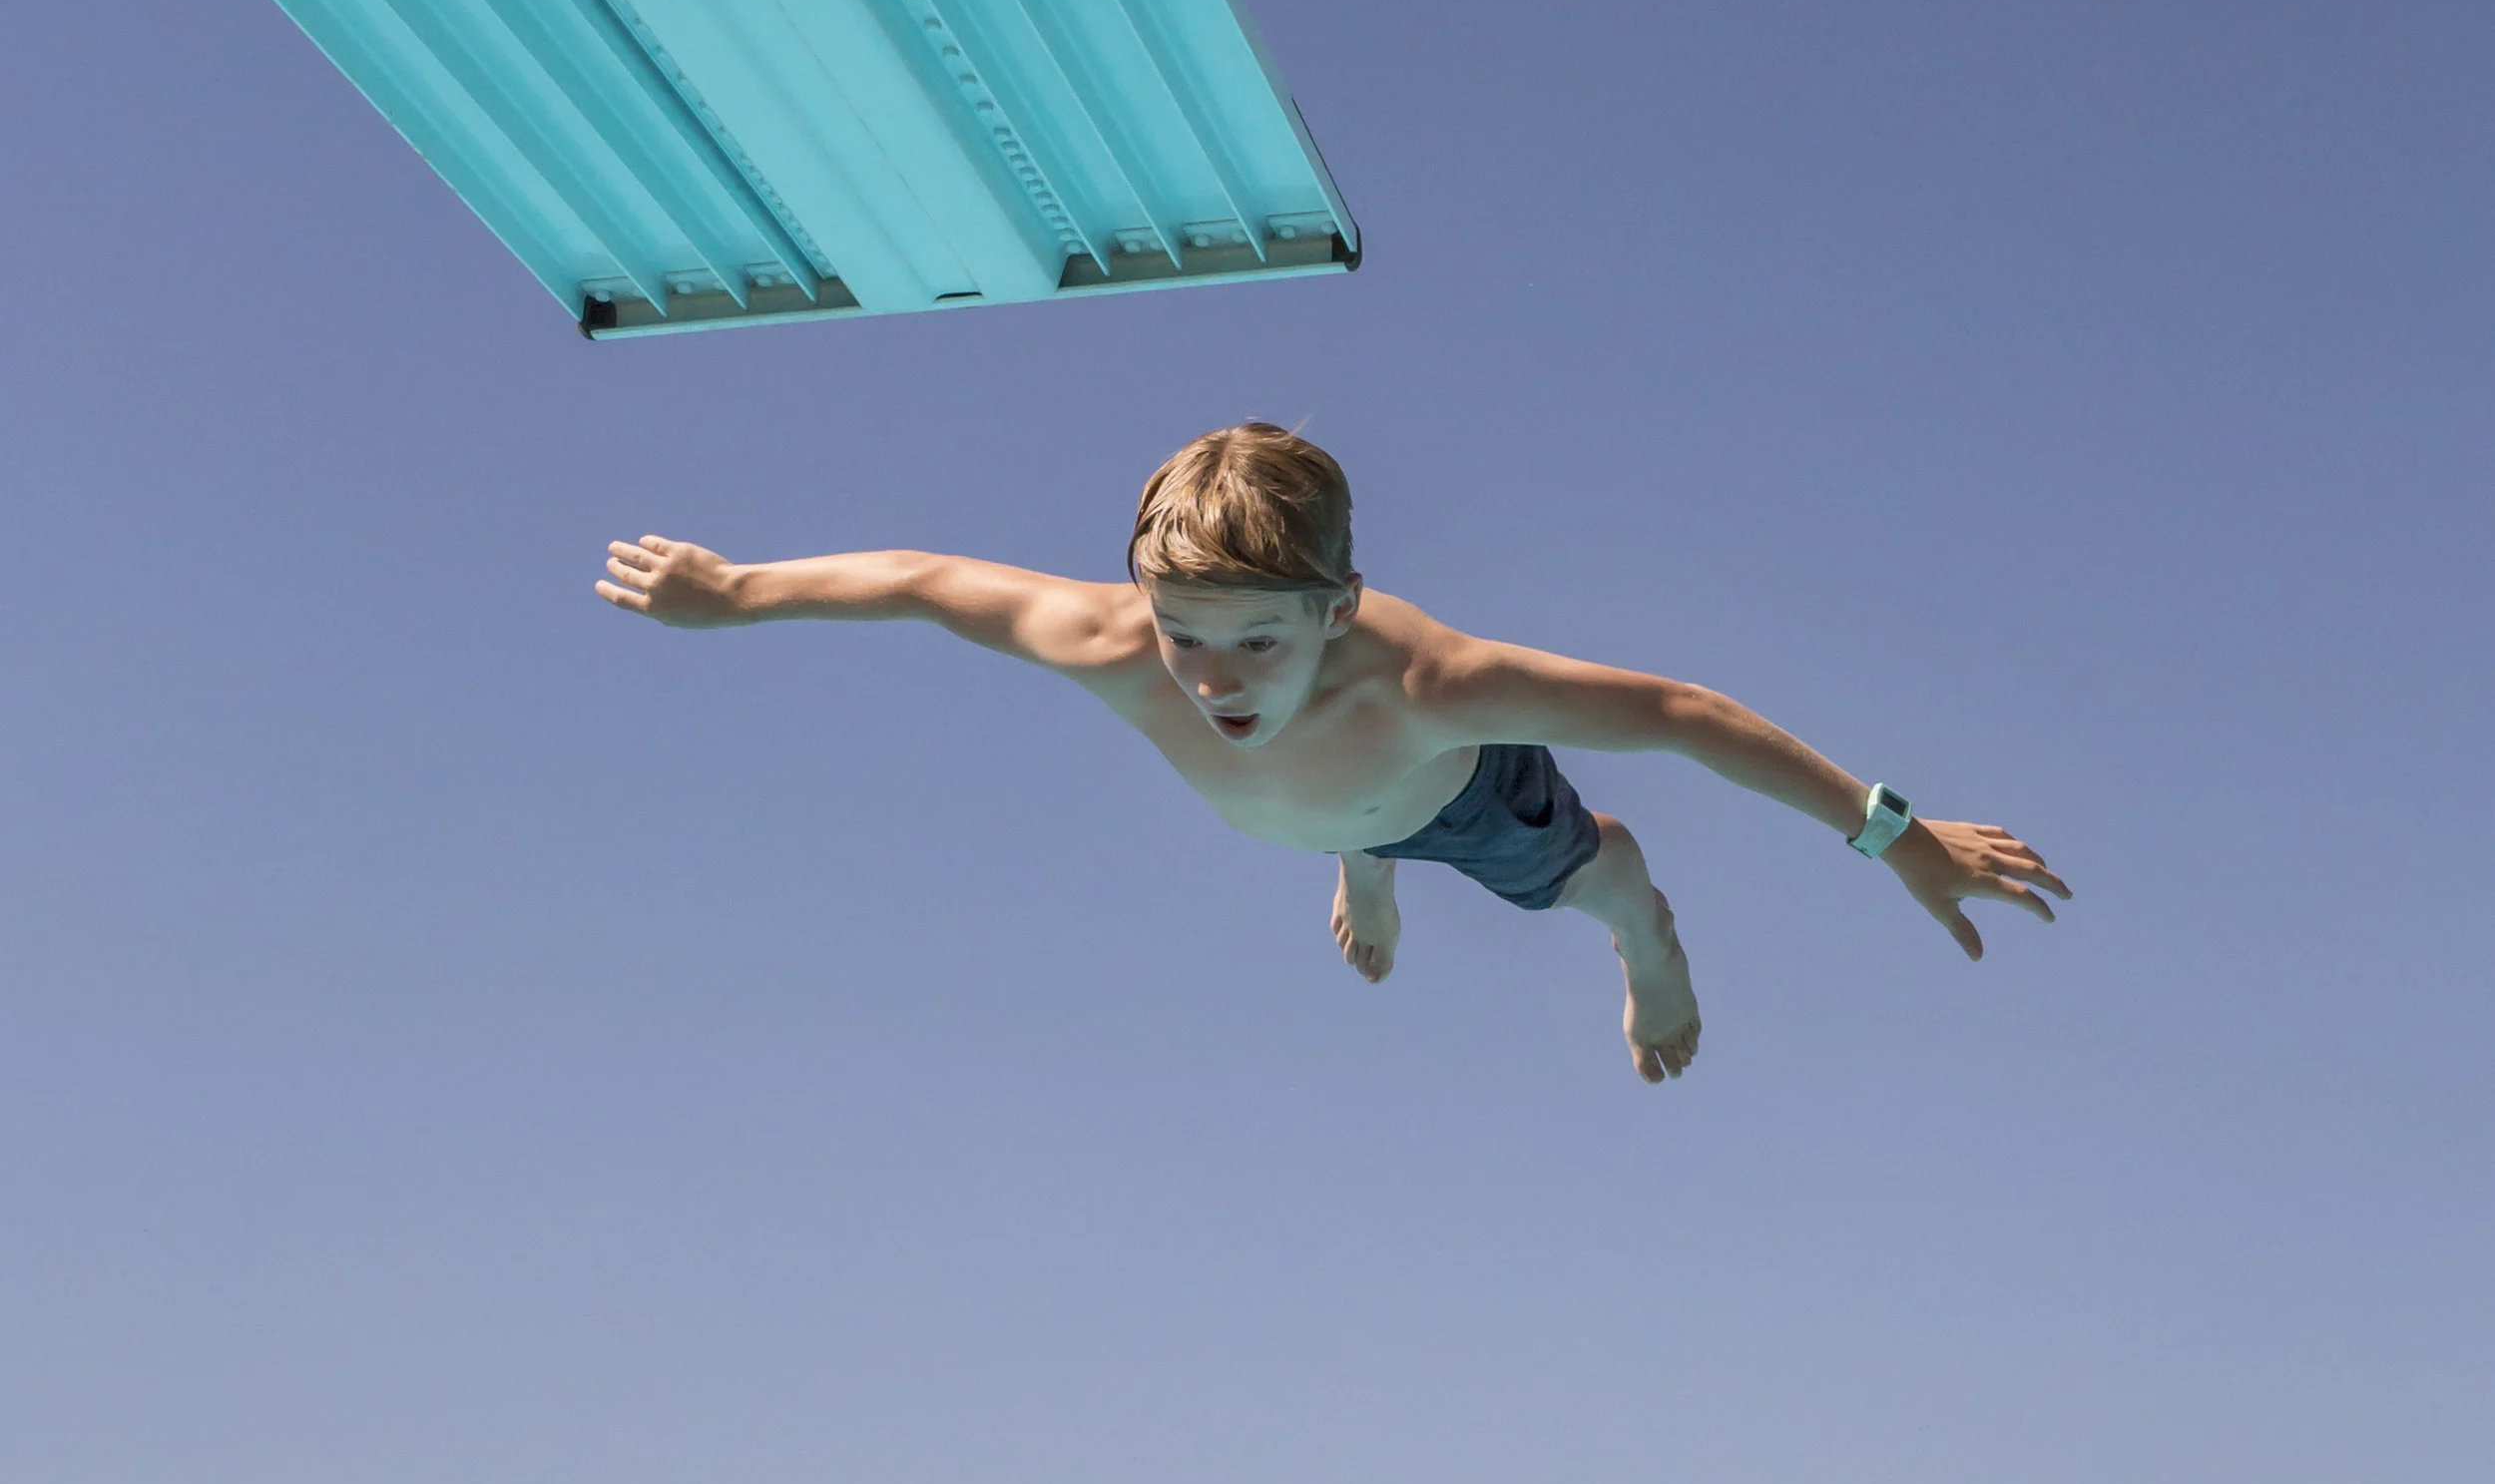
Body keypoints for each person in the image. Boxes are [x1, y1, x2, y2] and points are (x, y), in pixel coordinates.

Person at [594, 422, 2067, 1083]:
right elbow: (919, 578)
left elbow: (1680, 713)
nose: (1215, 677)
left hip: (1457, 798)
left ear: (1337, 610)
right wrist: (736, 591)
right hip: (1314, 811)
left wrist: (1898, 836)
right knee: (1319, 812)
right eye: (1186, 631)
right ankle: (1359, 852)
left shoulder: (1429, 682)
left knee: (1603, 883)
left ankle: (1640, 938)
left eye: (1260, 643)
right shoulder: (1104, 637)